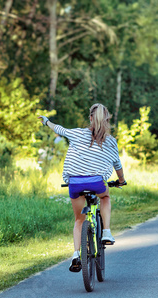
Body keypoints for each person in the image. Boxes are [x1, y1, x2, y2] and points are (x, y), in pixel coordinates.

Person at [38, 103, 126, 273]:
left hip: (75, 183)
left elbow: (59, 129)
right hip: (97, 183)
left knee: (79, 220)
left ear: (90, 118)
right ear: (107, 120)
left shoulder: (77, 133)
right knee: (105, 197)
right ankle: (106, 231)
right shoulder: (111, 141)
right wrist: (121, 180)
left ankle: (76, 254)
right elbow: (117, 165)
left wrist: (46, 122)